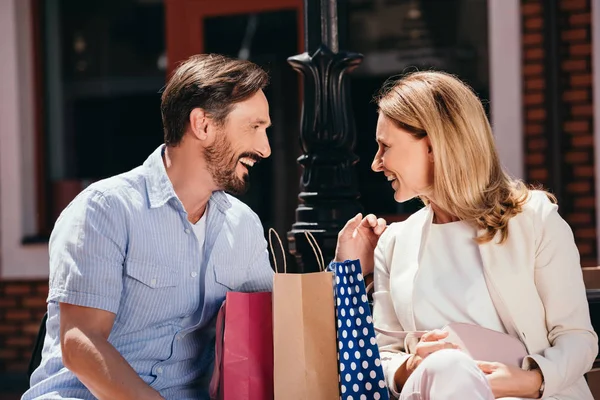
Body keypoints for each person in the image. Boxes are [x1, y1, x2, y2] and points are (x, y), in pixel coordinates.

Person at [23, 54, 274, 400]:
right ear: (202, 125)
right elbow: (80, 341)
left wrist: (346, 266)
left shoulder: (243, 225)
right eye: (254, 127)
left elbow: (270, 326)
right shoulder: (105, 210)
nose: (265, 148)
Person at [334, 71, 598, 399]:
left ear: (433, 146)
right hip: (433, 390)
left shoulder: (534, 219)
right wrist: (413, 366)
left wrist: (529, 380)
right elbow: (382, 356)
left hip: (530, 395)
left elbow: (577, 338)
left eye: (385, 146)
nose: (377, 163)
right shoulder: (395, 241)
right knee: (447, 367)